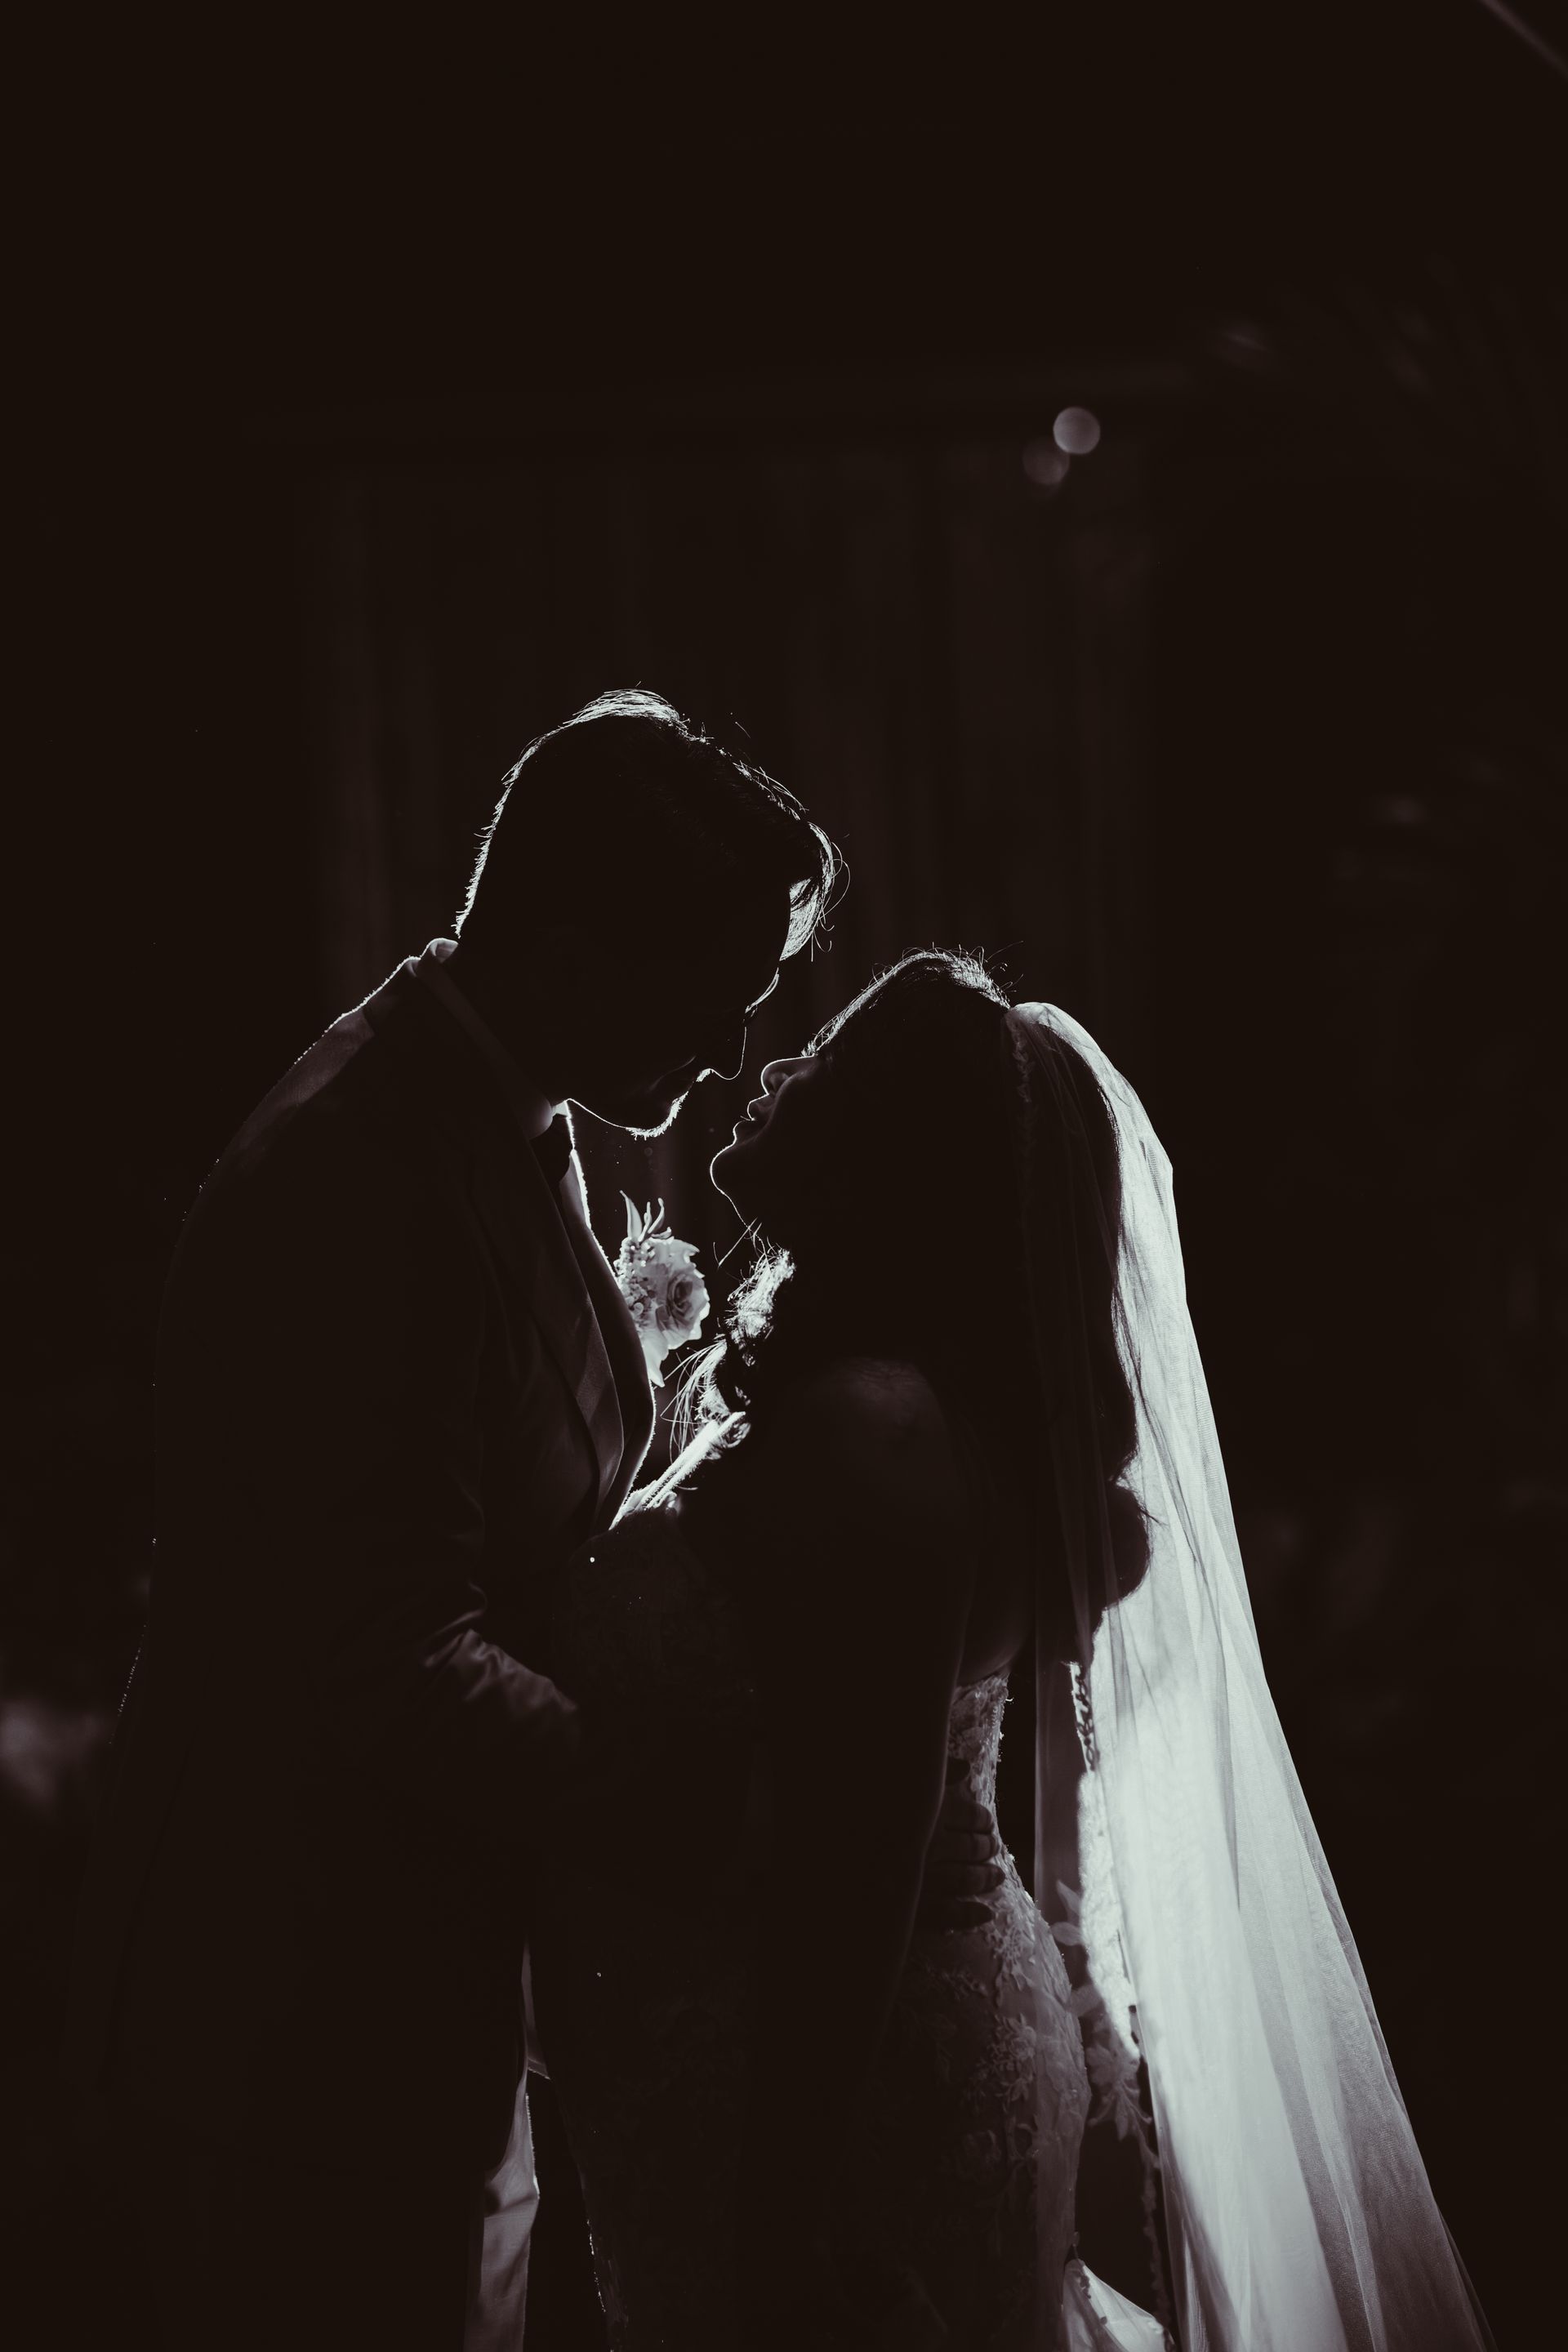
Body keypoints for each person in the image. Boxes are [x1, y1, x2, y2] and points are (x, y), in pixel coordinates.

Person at [63, 692, 1008, 2352]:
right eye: (711, 996)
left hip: (426, 1996)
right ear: (576, 946)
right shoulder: (354, 1180)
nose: (727, 1056)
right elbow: (397, 1656)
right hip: (294, 2011)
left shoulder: (516, 1111)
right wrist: (701, 1817)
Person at [528, 948, 1497, 2351]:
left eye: (828, 1064)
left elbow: (857, 1858)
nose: (777, 1071)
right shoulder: (872, 1410)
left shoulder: (877, 1435)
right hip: (777, 2049)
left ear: (892, 1156)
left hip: (845, 2093)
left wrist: (782, 2225)